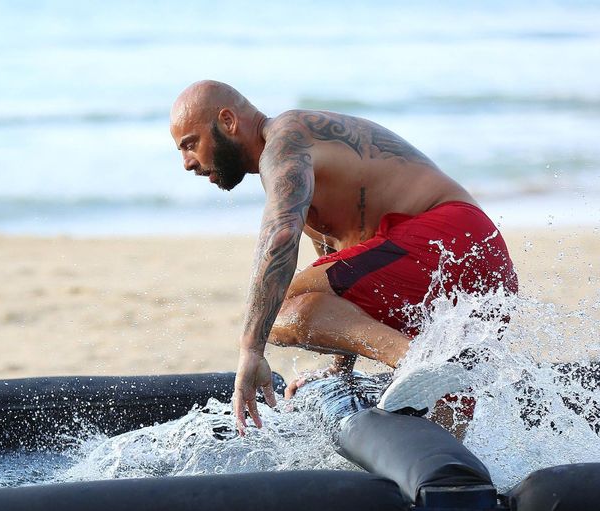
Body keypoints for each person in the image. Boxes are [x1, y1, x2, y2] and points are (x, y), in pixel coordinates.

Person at [169, 80, 517, 435]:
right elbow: (341, 273)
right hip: (471, 263)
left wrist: (250, 350)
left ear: (228, 121)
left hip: (450, 237)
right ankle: (436, 379)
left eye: (190, 144)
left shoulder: (285, 141)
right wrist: (340, 368)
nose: (186, 163)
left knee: (275, 309)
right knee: (441, 441)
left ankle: (415, 360)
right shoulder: (301, 167)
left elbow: (280, 237)